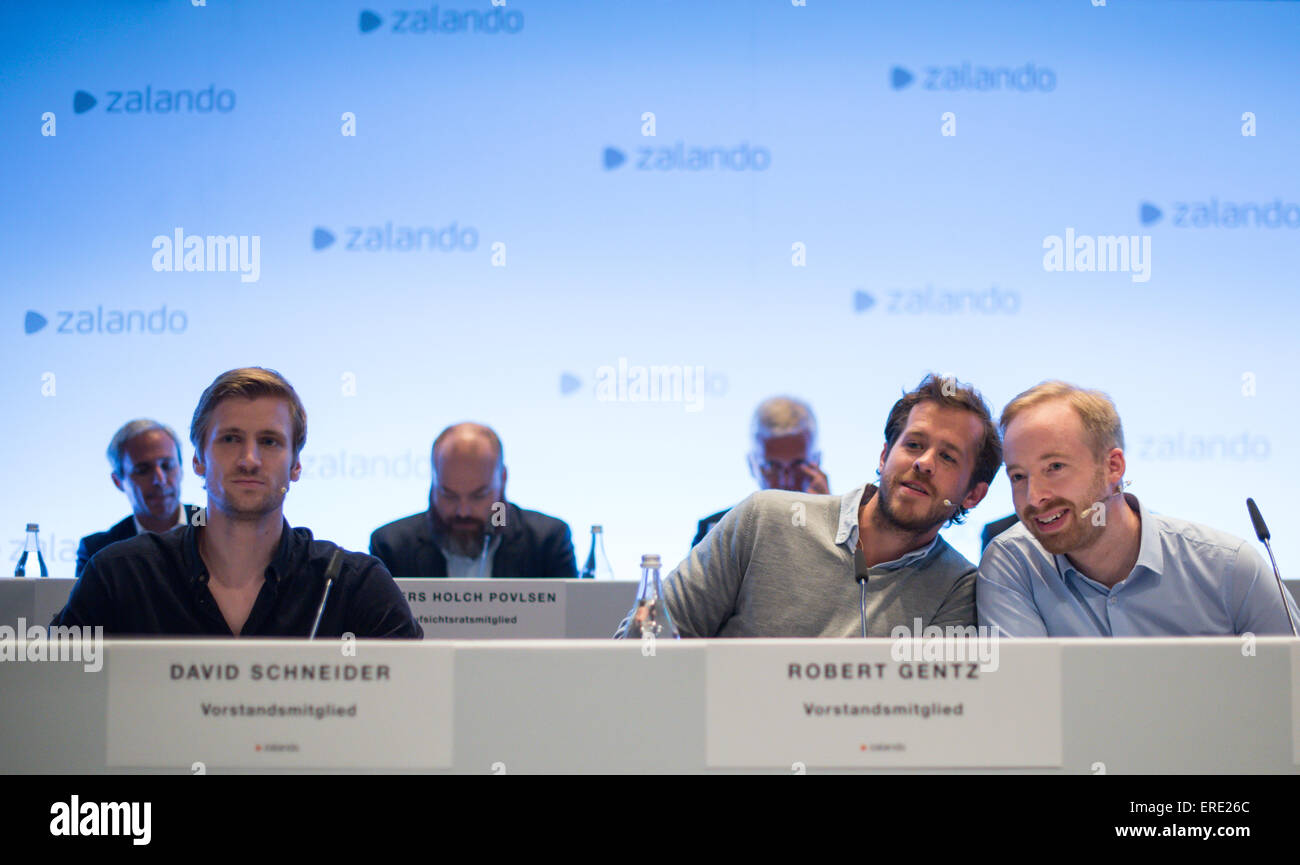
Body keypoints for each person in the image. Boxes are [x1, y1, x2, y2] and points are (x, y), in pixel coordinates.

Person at [618, 374, 1001, 638]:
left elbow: (931, 718)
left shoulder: (959, 586)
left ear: (973, 495)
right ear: (884, 456)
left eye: (948, 457)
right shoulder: (763, 519)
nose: (924, 463)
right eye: (913, 445)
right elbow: (641, 647)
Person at [55, 368, 421, 638]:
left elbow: (419, 705)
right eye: (230, 439)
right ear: (197, 460)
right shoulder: (122, 575)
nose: (249, 459)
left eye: (270, 441)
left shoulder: (353, 585)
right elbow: (50, 697)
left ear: (296, 465)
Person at [978, 381, 1300, 636]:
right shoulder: (1013, 563)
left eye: (1055, 467)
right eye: (1018, 476)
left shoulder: (1231, 569)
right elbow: (1027, 703)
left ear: (1113, 466)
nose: (1034, 497)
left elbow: (1291, 693)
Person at [370, 423, 577, 579]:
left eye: (479, 495)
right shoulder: (391, 546)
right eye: (448, 495)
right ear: (433, 480)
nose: (463, 511)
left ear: (502, 480)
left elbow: (573, 631)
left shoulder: (546, 542)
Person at [691, 396, 831, 548]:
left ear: (817, 462)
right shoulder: (716, 533)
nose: (785, 481)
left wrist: (831, 521)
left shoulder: (845, 531)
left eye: (798, 465)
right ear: (752, 466)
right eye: (772, 467)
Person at [76, 420, 202, 577]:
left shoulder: (215, 525)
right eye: (143, 470)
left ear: (182, 469)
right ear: (118, 481)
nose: (160, 480)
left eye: (167, 466)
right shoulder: (98, 551)